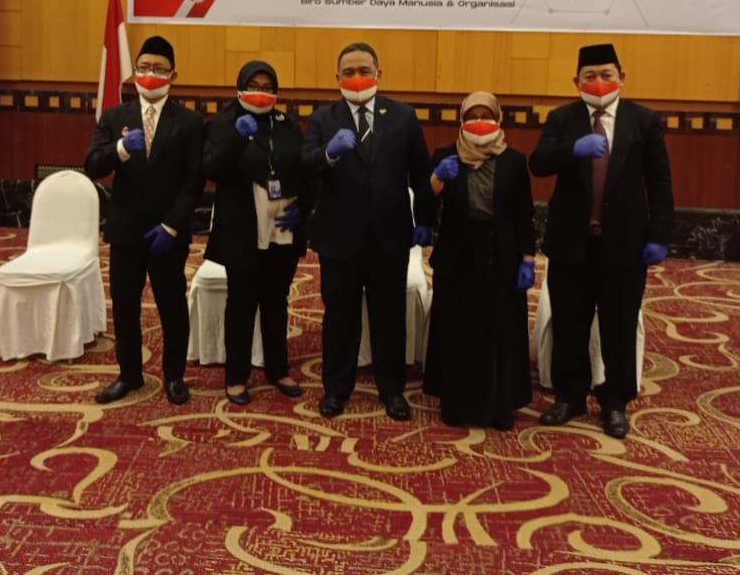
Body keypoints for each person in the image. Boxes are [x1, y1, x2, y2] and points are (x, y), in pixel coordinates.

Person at [529, 43, 674, 439]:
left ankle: (614, 402)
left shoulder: (643, 121)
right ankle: (569, 397)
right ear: (575, 81)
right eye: (589, 76)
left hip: (625, 245)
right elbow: (537, 163)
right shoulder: (562, 118)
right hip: (571, 243)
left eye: (606, 75)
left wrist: (660, 235)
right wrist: (571, 150)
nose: (598, 82)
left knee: (619, 326)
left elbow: (659, 181)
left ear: (621, 78)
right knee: (570, 324)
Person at [301, 41, 435, 421]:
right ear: (337, 77)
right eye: (349, 72)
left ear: (379, 74)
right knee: (339, 316)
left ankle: (391, 389)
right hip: (339, 236)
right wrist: (328, 153)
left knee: (389, 315)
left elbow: (420, 172)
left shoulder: (403, 116)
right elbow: (304, 164)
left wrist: (426, 219)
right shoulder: (322, 119)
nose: (357, 78)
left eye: (364, 70)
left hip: (389, 236)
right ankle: (336, 388)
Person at [87, 35, 205, 407]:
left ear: (173, 75)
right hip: (125, 230)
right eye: (143, 67)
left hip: (168, 232)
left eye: (158, 68)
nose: (149, 74)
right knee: (125, 306)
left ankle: (174, 376)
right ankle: (129, 374)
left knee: (172, 306)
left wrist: (172, 225)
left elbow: (194, 179)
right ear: (134, 71)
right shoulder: (114, 117)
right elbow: (92, 165)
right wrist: (120, 149)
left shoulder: (190, 121)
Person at [422, 91, 536, 430]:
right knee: (458, 329)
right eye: (472, 116)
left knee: (500, 329)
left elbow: (524, 213)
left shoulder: (514, 161)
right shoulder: (445, 156)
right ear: (461, 121)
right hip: (458, 253)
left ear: (499, 119)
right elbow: (424, 209)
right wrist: (436, 181)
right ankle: (455, 402)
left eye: (486, 115)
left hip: (501, 254)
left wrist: (527, 258)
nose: (479, 122)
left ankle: (500, 405)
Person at [202, 60, 312, 405]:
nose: (261, 93)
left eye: (267, 88)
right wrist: (236, 138)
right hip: (244, 229)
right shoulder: (224, 122)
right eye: (254, 86)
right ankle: (236, 377)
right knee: (241, 303)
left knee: (276, 300)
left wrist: (303, 207)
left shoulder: (287, 124)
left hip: (282, 227)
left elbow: (305, 168)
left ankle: (278, 369)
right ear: (240, 87)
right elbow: (212, 169)